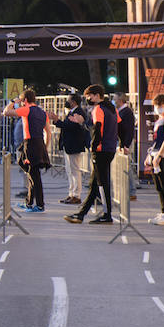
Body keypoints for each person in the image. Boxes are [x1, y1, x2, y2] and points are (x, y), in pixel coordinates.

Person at [66, 84, 119, 225]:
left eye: (89, 95)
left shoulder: (99, 109)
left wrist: (93, 147)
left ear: (96, 95)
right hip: (110, 148)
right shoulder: (112, 108)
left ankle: (107, 215)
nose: (88, 98)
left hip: (101, 150)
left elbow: (97, 130)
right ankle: (81, 214)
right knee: (94, 184)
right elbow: (120, 126)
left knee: (101, 184)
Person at [4, 90, 49, 213]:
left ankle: (40, 205)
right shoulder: (42, 112)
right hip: (39, 143)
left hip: (30, 143)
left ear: (24, 100)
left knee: (34, 176)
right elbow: (48, 132)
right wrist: (45, 147)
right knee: (31, 174)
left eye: (21, 100)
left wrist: (13, 102)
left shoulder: (27, 109)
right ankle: (29, 203)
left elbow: (6, 112)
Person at [54, 94, 89, 204]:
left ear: (73, 102)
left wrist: (57, 121)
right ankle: (71, 193)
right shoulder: (71, 112)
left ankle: (76, 195)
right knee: (70, 171)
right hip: (69, 145)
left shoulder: (78, 112)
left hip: (74, 145)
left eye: (68, 100)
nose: (66, 102)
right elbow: (67, 125)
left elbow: (70, 126)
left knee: (75, 170)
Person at [144, 93, 164, 225]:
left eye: (161, 105)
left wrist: (158, 156)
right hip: (156, 156)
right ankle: (163, 211)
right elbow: (157, 141)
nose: (158, 108)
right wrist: (151, 155)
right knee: (159, 187)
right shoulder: (159, 120)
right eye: (156, 106)